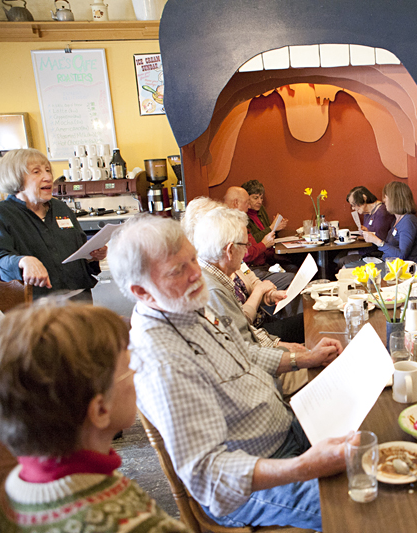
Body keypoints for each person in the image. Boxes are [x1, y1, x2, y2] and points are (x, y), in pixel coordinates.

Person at [107, 215, 348, 531]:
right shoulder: (162, 360)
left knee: (375, 435)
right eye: (178, 270)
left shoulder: (186, 305)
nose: (197, 273)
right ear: (142, 291)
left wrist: (303, 359)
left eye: (193, 259)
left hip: (284, 432)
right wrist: (302, 467)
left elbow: (245, 353)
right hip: (248, 488)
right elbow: (208, 474)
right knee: (365, 501)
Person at [0, 302, 188, 532]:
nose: (136, 372)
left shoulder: (9, 492)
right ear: (100, 410)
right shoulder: (140, 526)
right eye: (129, 367)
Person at [0, 149, 106, 300]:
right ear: (15, 178)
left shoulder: (60, 208)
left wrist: (92, 256)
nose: (48, 177)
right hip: (37, 305)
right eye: (36, 172)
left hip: (79, 297)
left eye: (48, 170)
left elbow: (79, 248)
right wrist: (22, 261)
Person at [193, 205, 306, 346]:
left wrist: (269, 295)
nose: (246, 251)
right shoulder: (212, 288)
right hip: (259, 335)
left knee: (309, 320)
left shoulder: (223, 268)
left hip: (261, 327)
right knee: (310, 324)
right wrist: (289, 352)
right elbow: (245, 335)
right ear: (230, 250)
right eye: (245, 245)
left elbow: (253, 283)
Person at [224, 186, 295, 291]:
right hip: (249, 270)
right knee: (293, 278)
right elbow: (246, 256)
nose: (249, 206)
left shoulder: (241, 219)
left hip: (256, 267)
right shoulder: (231, 224)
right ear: (236, 203)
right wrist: (264, 244)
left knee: (293, 269)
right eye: (247, 202)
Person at [363, 181, 417, 263]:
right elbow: (390, 245)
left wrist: (377, 241)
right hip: (387, 262)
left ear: (395, 200)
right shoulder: (397, 219)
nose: (384, 200)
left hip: (400, 268)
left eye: (386, 197)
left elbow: (401, 255)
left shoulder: (408, 221)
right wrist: (372, 235)